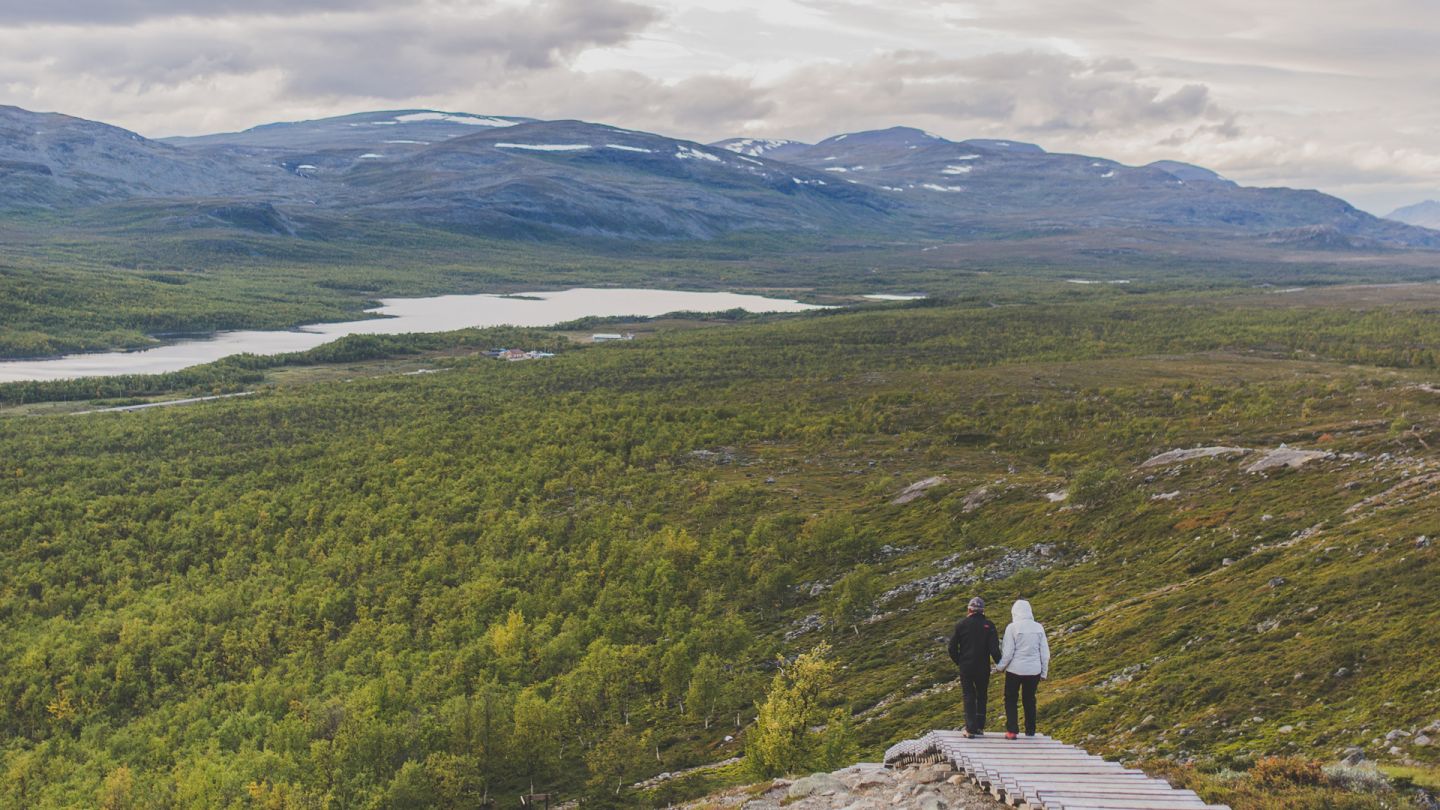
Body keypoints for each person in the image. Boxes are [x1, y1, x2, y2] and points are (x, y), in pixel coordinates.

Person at [995, 599, 1050, 739]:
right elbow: (1044, 653)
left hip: (1015, 670)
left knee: (1011, 699)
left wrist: (1000, 667)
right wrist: (1044, 672)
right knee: (1029, 699)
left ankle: (1012, 731)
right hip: (1034, 670)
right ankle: (1030, 731)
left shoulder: (1012, 627)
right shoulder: (1038, 627)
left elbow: (1008, 653)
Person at [947, 596, 1001, 738]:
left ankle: (970, 728)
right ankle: (980, 727)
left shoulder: (961, 624)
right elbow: (994, 650)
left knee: (969, 695)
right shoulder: (989, 625)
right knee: (982, 695)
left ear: (969, 609)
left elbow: (951, 647)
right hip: (983, 667)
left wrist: (959, 661)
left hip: (966, 666)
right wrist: (1001, 664)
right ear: (983, 611)